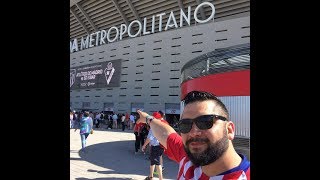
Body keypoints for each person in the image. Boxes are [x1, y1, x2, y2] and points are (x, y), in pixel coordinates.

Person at [136, 91, 250, 179]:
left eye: (205, 122)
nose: (193, 132)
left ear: (229, 130)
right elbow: (166, 133)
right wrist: (147, 118)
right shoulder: (188, 156)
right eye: (185, 124)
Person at [141, 112, 165, 180]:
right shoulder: (162, 125)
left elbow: (149, 138)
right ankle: (150, 176)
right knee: (153, 161)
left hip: (156, 146)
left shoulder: (154, 127)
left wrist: (144, 145)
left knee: (157, 163)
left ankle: (161, 179)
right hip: (160, 146)